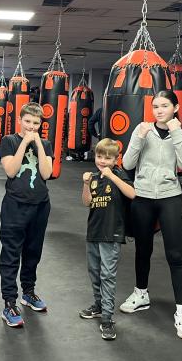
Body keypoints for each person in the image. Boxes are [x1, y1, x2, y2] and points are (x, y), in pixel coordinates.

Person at [119, 90, 182, 339]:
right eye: (155, 106)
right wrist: (138, 138)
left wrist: (176, 132)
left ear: (175, 108)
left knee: (175, 254)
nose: (159, 110)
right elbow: (128, 164)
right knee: (143, 249)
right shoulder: (142, 130)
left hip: (169, 197)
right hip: (142, 197)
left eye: (164, 106)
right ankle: (141, 293)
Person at [0, 102, 53, 328]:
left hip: (40, 205)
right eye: (28, 121)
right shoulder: (9, 141)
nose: (31, 126)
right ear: (20, 120)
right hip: (15, 205)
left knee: (33, 252)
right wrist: (25, 143)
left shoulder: (46, 144)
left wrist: (38, 144)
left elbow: (46, 173)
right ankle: (9, 302)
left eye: (36, 123)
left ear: (40, 125)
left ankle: (28, 292)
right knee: (11, 253)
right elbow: (11, 171)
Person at [79, 138, 135, 341]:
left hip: (112, 233)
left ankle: (108, 317)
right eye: (99, 156)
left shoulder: (119, 175)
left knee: (107, 275)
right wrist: (86, 184)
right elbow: (87, 202)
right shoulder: (93, 177)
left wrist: (112, 175)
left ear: (115, 159)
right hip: (93, 231)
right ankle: (99, 305)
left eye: (107, 158)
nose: (102, 161)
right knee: (94, 271)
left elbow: (132, 193)